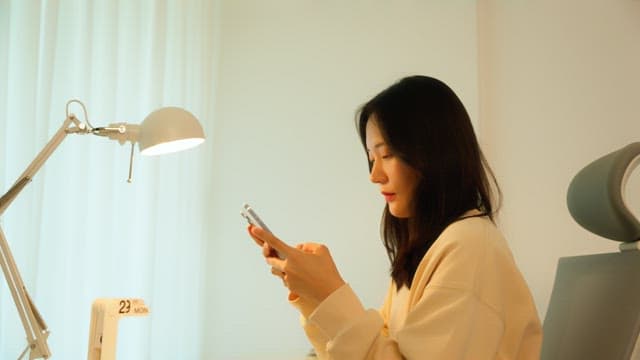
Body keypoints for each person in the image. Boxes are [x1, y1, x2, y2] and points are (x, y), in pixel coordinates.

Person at [247, 75, 542, 359]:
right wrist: (312, 293)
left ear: (431, 154)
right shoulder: (426, 249)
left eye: (386, 155)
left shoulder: (470, 248)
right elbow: (383, 347)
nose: (374, 175)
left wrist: (328, 292)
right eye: (372, 159)